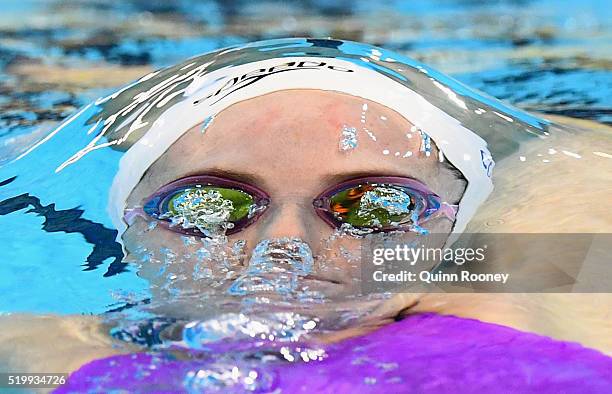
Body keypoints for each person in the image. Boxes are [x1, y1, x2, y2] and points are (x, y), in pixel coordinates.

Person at [1, 39, 611, 392]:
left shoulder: (544, 316)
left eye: (374, 206)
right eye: (211, 206)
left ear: (453, 232)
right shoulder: (41, 348)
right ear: (129, 233)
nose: (284, 245)